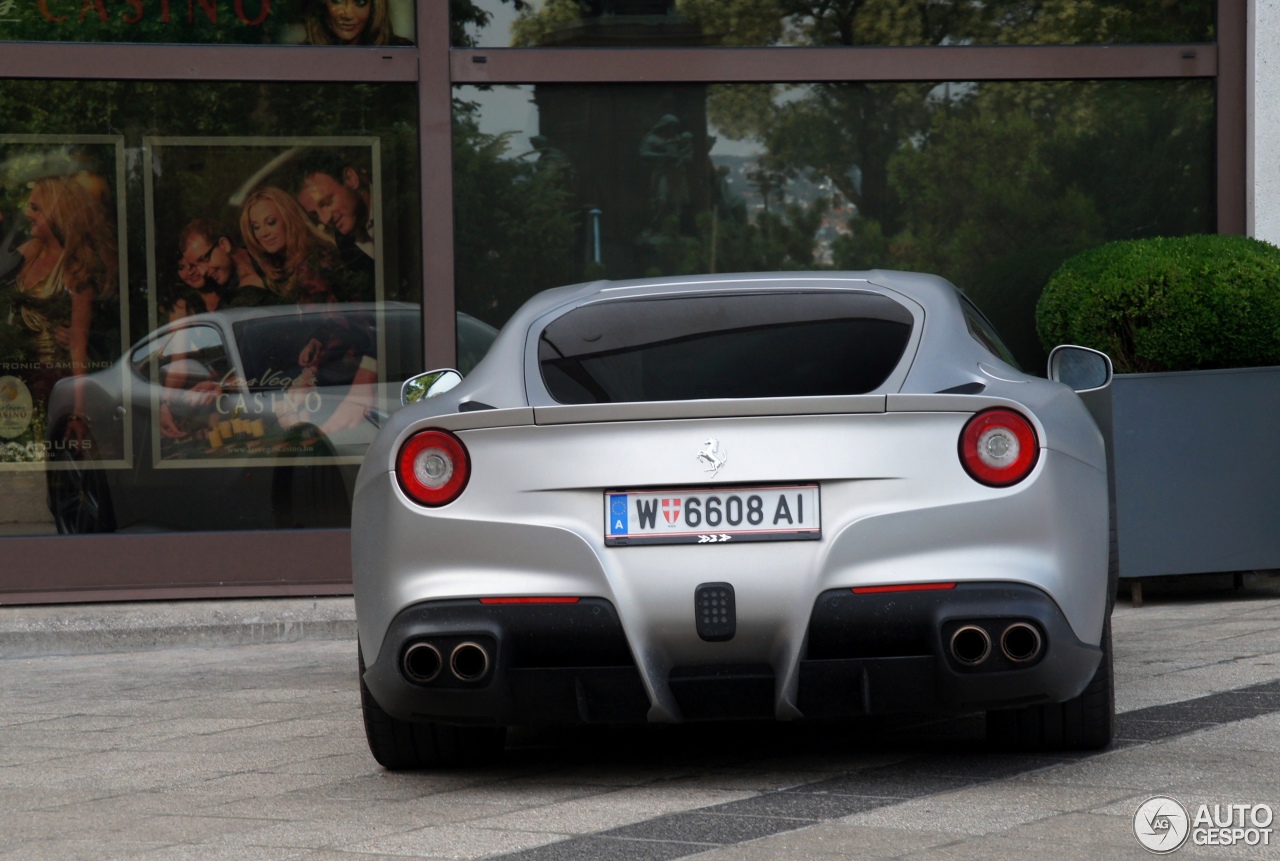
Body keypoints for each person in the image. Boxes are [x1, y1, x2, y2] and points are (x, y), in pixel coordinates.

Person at [2, 173, 118, 439]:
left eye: (34, 207)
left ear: (55, 213)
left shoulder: (75, 270)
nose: (26, 212)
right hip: (15, 378)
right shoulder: (31, 249)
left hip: (51, 379)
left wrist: (78, 411)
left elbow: (78, 346)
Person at [239, 186, 340, 303]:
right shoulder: (278, 273)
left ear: (289, 219)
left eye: (271, 222)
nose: (263, 233)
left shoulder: (318, 261)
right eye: (256, 227)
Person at [295, 151, 375, 269]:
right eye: (315, 215)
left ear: (351, 179)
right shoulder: (345, 247)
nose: (325, 220)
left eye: (327, 202)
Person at [177, 218, 271, 310]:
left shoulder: (272, 255)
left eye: (204, 259)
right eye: (195, 265)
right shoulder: (229, 304)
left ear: (224, 245)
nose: (202, 272)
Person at [303, 0, 411, 46]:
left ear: (374, 7)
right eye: (338, 0)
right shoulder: (301, 57)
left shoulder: (403, 53)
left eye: (360, 2)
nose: (348, 15)